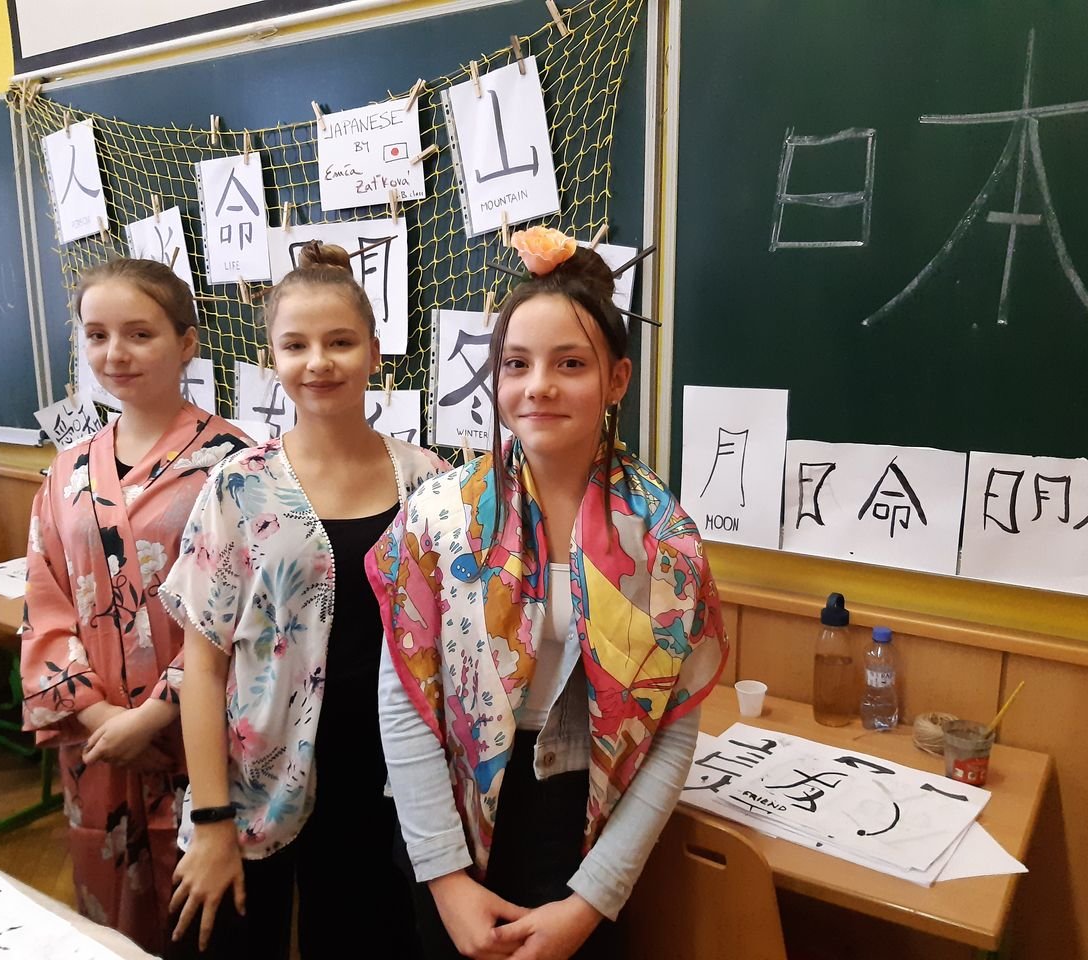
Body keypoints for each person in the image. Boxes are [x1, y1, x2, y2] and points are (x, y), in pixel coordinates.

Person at [369, 227, 729, 960]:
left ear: (617, 380)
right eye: (516, 363)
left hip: (589, 821)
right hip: (449, 814)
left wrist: (594, 898)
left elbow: (671, 730)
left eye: (570, 363)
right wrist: (446, 879)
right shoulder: (440, 517)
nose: (538, 385)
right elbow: (404, 700)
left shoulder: (664, 540)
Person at [159, 241, 447, 958]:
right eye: (296, 345)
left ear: (375, 351)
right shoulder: (238, 487)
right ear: (273, 358)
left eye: (340, 342)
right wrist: (213, 819)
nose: (318, 362)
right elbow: (203, 665)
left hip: (386, 783)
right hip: (253, 781)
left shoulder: (431, 484)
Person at [20, 258, 251, 954]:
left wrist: (155, 712)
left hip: (201, 741)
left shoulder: (239, 463)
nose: (114, 353)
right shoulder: (68, 470)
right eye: (97, 335)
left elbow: (252, 612)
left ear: (187, 343)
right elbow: (45, 601)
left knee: (206, 927)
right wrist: (99, 715)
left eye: (139, 333)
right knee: (109, 926)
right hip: (98, 744)